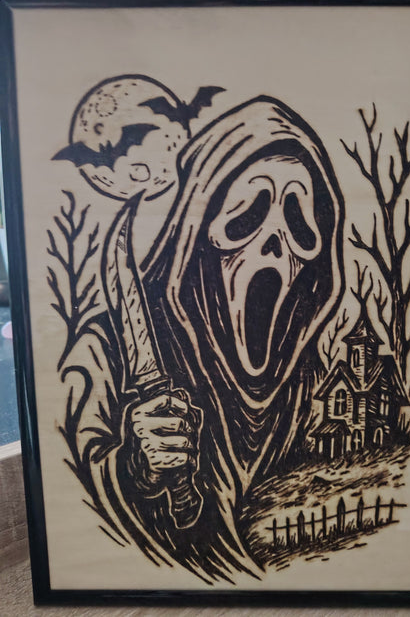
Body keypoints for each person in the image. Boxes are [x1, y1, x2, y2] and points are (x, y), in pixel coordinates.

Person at [64, 95, 345, 583]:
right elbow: (77, 492)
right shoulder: (105, 351)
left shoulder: (311, 375)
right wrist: (135, 467)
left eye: (300, 224)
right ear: (197, 230)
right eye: (247, 216)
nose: (274, 243)